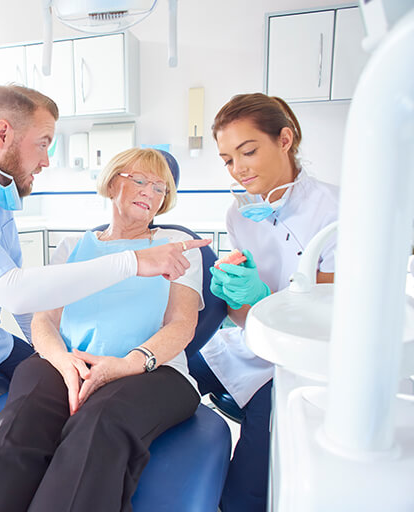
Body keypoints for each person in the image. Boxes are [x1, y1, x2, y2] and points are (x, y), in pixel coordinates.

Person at [0, 85, 210, 472]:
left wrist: (57, 353)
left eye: (160, 187)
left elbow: (36, 312)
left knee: (47, 393)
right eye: (43, 144)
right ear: (3, 134)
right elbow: (15, 292)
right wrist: (131, 262)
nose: (47, 160)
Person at [0, 148, 205, 512]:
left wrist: (126, 364)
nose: (151, 192)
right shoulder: (73, 246)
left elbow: (182, 325)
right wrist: (62, 361)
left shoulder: (178, 246)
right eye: (141, 180)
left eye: (160, 188)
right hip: (68, 363)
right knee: (14, 429)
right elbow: (44, 320)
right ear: (113, 182)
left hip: (151, 371)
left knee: (99, 424)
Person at [187, 92, 339, 511]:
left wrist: (266, 298)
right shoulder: (239, 217)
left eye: (247, 151)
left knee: (248, 491)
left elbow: (328, 320)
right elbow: (242, 319)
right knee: (170, 372)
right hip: (251, 343)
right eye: (228, 160)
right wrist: (236, 296)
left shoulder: (335, 211)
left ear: (285, 139)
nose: (238, 169)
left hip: (302, 361)